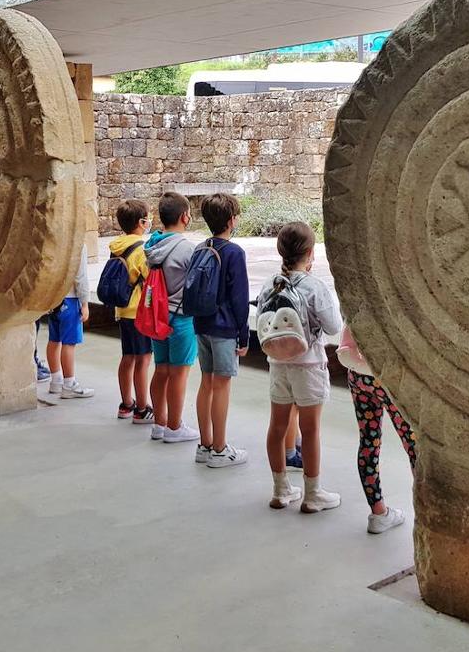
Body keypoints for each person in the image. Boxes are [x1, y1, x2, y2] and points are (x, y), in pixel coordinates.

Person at [258, 222, 342, 512]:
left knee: (277, 426)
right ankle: (312, 493)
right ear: (309, 252)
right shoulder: (314, 286)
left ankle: (281, 490)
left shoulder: (270, 284)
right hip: (310, 364)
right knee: (311, 429)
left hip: (278, 364)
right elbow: (334, 327)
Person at [338, 327, 416, 534]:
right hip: (387, 376)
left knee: (368, 440)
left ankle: (378, 513)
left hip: (357, 374)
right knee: (413, 444)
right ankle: (426, 511)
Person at [192, 193, 250, 469]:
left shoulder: (200, 248)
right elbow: (240, 298)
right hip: (225, 328)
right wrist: (244, 334)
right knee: (222, 385)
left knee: (206, 383)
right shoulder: (234, 253)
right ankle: (219, 449)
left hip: (201, 324)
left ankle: (204, 444)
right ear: (231, 221)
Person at [144, 192, 200, 443]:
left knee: (161, 369)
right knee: (179, 373)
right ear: (184, 217)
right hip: (181, 319)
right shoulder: (188, 249)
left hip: (158, 315)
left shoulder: (152, 245)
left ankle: (159, 422)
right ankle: (175, 427)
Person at [109, 199, 155, 423]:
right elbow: (148, 278)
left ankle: (126, 404)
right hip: (139, 312)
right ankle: (142, 408)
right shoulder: (141, 249)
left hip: (122, 310)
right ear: (141, 222)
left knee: (127, 357)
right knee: (143, 359)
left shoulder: (117, 246)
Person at [47, 243, 93, 399]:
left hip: (54, 298)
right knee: (69, 343)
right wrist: (85, 303)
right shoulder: (78, 245)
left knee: (54, 339)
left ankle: (56, 380)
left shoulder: (54, 241)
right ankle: (69, 384)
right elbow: (80, 277)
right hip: (71, 299)